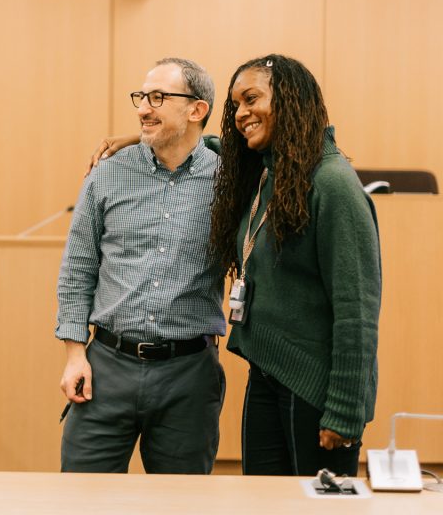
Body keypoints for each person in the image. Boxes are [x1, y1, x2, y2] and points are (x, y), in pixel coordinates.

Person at [209, 54, 380, 476]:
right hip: (266, 374)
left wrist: (344, 411)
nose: (241, 115)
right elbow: (214, 145)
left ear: (289, 100)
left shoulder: (332, 183)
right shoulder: (271, 175)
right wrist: (142, 140)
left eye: (252, 99)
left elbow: (356, 311)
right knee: (261, 503)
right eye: (236, 107)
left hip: (315, 389)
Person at [56, 57, 226, 474]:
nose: (143, 108)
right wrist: (75, 354)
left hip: (189, 374)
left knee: (180, 506)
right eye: (141, 97)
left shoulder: (228, 182)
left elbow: (253, 150)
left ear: (196, 110)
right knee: (81, 500)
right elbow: (78, 268)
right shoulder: (107, 175)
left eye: (157, 97)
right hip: (106, 368)